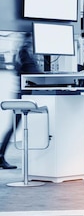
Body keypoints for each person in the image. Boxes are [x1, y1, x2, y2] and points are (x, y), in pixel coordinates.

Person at [0, 33, 41, 169]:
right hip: (25, 96)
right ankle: (0, 156)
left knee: (13, 126)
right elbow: (33, 72)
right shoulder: (24, 53)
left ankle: (1, 155)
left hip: (23, 94)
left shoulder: (21, 53)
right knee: (14, 126)